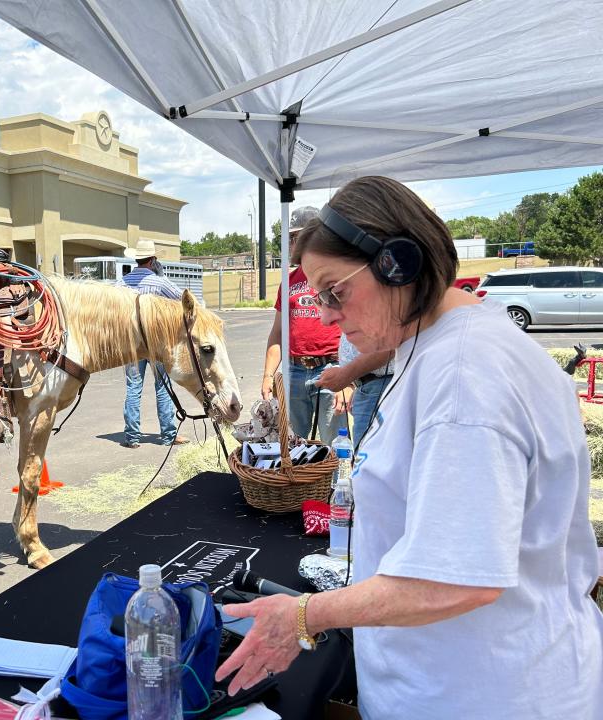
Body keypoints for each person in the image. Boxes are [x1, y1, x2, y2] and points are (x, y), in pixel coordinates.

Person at [218, 176, 602, 718]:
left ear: (399, 264)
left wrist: (303, 615)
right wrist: (352, 365)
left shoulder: (465, 377)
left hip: (483, 695)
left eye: (334, 290)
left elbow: (451, 580)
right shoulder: (448, 338)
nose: (325, 314)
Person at [117, 238, 188, 449]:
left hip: (131, 342)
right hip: (156, 342)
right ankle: (168, 435)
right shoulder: (159, 281)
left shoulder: (122, 283)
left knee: (133, 387)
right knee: (163, 387)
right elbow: (181, 298)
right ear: (153, 260)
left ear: (137, 259)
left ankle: (132, 437)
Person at [260, 266, 343, 445]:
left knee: (334, 443)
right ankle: (297, 474)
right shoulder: (288, 282)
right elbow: (278, 333)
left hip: (330, 366)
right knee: (292, 442)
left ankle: (333, 474)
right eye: (293, 238)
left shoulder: (335, 275)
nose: (296, 241)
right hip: (294, 370)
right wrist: (268, 375)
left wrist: (348, 379)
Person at [316, 334, 393, 448]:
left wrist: (345, 376)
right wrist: (357, 383)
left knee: (369, 457)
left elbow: (389, 345)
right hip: (370, 384)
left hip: (380, 385)